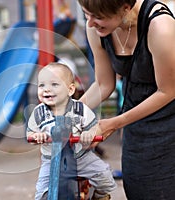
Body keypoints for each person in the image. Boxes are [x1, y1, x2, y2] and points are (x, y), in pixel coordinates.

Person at [77, 0, 175, 199]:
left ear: (125, 8)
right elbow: (104, 85)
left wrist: (114, 123)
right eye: (86, 14)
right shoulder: (96, 29)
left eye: (98, 17)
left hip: (170, 120)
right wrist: (69, 111)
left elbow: (168, 91)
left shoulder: (160, 26)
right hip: (135, 122)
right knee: (138, 187)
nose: (90, 23)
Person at [27, 62, 116, 200]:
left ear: (70, 90)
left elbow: (94, 127)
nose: (46, 89)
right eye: (42, 85)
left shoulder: (80, 109)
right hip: (51, 160)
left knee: (105, 176)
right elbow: (30, 134)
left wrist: (88, 134)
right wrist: (37, 136)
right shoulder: (38, 113)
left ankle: (100, 195)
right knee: (41, 192)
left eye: (54, 84)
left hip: (81, 157)